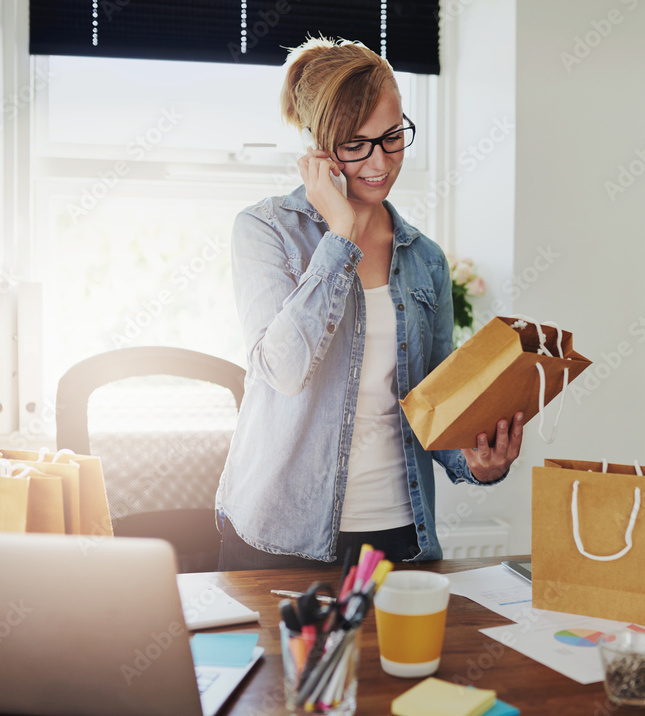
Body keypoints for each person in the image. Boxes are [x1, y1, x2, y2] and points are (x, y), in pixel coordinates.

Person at [215, 37, 523, 570]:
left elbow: (431, 404)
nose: (380, 162)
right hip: (280, 537)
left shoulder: (424, 258)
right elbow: (283, 371)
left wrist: (479, 462)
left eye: (392, 136)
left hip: (400, 535)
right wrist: (340, 235)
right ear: (318, 148)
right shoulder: (265, 231)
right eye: (355, 145)